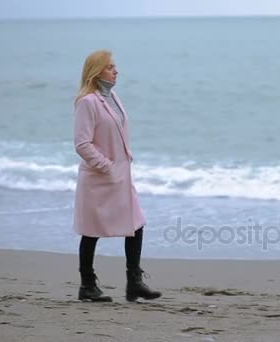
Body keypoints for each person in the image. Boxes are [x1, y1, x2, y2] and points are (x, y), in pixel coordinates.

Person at [72, 50, 161, 302]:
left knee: (136, 224)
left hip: (121, 178)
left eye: (115, 67)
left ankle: (134, 282)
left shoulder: (113, 98)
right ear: (96, 71)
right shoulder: (87, 102)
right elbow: (82, 143)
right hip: (99, 178)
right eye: (110, 67)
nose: (116, 70)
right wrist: (107, 165)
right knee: (91, 231)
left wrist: (123, 161)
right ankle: (87, 284)